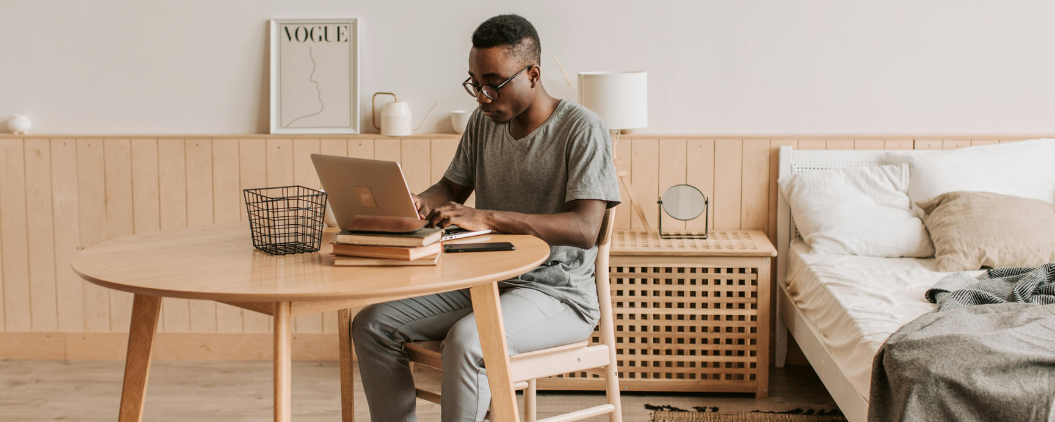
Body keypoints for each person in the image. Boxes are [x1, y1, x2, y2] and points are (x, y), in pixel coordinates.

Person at [351, 14, 620, 422]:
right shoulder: (484, 122)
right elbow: (450, 190)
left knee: (466, 342)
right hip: (484, 283)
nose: (481, 97)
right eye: (475, 83)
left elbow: (584, 229)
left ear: (533, 74)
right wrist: (410, 205)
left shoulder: (583, 129)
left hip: (558, 295)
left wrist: (489, 217)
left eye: (493, 83)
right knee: (372, 325)